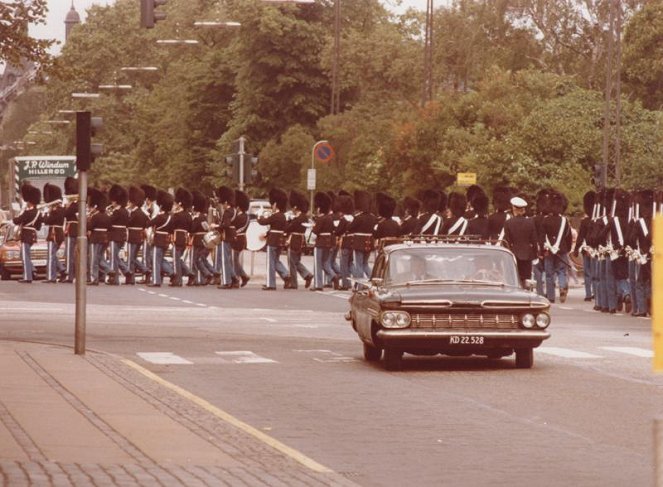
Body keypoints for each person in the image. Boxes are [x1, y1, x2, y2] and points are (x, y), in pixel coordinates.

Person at [540, 190, 572, 303]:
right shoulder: (564, 220)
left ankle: (551, 296)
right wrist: (567, 248)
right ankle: (562, 286)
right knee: (562, 271)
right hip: (561, 249)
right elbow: (568, 235)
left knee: (549, 274)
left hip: (548, 250)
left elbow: (542, 236)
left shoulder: (545, 220)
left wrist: (544, 249)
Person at [257, 188, 291, 290]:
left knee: (271, 262)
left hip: (273, 241)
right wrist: (267, 235)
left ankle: (271, 284)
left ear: (275, 204)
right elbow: (275, 228)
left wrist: (259, 216)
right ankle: (286, 275)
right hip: (280, 240)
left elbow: (264, 222)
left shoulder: (276, 215)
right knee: (276, 261)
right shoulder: (283, 216)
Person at [503, 196, 539, 287]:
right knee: (526, 279)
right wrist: (535, 254)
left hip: (513, 254)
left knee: (514, 278)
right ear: (523, 209)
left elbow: (506, 241)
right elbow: (534, 240)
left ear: (514, 208)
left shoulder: (508, 223)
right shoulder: (530, 222)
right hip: (527, 254)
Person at [12, 184, 41, 283]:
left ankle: (28, 277)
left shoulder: (27, 212)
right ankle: (32, 269)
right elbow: (38, 226)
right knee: (25, 255)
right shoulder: (38, 212)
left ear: (30, 201)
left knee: (25, 256)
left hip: (26, 235)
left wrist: (13, 219)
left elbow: (17, 220)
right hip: (32, 235)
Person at [311, 191, 339, 291]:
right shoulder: (329, 218)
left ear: (319, 208)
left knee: (318, 264)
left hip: (320, 243)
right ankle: (333, 276)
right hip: (328, 243)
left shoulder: (321, 219)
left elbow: (315, 232)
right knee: (325, 263)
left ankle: (318, 285)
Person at [286, 190, 313, 289]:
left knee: (292, 262)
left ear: (295, 207)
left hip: (295, 240)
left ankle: (294, 283)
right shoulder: (303, 217)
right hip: (300, 240)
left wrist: (288, 222)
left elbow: (290, 228)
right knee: (296, 261)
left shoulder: (298, 218)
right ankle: (306, 275)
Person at [147, 190, 175, 287]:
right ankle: (171, 272)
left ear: (162, 205)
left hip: (158, 240)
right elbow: (171, 230)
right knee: (160, 259)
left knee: (155, 260)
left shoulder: (159, 217)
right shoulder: (170, 218)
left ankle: (156, 281)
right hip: (166, 240)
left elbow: (148, 224)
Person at [572, 190, 596, 302]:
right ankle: (596, 292)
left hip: (587, 250)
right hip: (596, 250)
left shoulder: (585, 221)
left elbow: (581, 237)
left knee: (588, 273)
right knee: (596, 273)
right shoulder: (598, 220)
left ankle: (588, 294)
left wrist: (577, 248)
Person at [41, 183, 66, 283]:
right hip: (58, 233)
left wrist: (46, 212)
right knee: (53, 254)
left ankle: (52, 277)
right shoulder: (61, 209)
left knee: (51, 256)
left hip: (54, 234)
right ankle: (62, 270)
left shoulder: (55, 211)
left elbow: (47, 221)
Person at [349, 190, 376, 279]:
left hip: (359, 242)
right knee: (365, 264)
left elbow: (350, 228)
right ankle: (373, 280)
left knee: (359, 264)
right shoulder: (373, 217)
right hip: (369, 241)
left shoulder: (358, 217)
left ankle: (360, 285)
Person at [125, 186, 149, 285]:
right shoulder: (143, 214)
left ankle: (131, 278)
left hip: (133, 236)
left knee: (131, 258)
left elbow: (128, 223)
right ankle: (144, 270)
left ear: (132, 202)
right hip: (139, 237)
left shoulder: (133, 213)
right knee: (133, 258)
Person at [87, 188, 111, 286]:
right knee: (100, 257)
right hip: (105, 238)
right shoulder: (107, 216)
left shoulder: (95, 216)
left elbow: (89, 227)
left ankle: (95, 278)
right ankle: (109, 270)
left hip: (95, 238)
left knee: (94, 260)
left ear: (95, 207)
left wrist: (88, 219)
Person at [107, 184, 130, 285]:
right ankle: (126, 271)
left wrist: (108, 215)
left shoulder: (117, 212)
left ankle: (115, 278)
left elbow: (109, 222)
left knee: (113, 257)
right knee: (115, 256)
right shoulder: (125, 211)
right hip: (122, 235)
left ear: (116, 200)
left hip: (114, 235)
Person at [170, 188, 194, 287]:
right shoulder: (188, 215)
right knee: (178, 258)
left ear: (179, 203)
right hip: (184, 238)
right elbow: (191, 228)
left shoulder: (177, 215)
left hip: (177, 237)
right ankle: (189, 273)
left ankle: (178, 280)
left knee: (176, 259)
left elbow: (171, 226)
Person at [215, 186, 237, 289]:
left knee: (224, 260)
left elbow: (226, 225)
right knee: (228, 260)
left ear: (226, 202)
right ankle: (234, 278)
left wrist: (216, 226)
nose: (222, 205)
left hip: (226, 236)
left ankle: (226, 282)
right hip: (231, 236)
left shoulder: (228, 212)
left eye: (223, 203)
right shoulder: (234, 210)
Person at [335, 193, 355, 290]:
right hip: (353, 242)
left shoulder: (344, 219)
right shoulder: (353, 218)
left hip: (345, 242)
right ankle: (358, 280)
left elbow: (338, 231)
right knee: (351, 264)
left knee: (343, 265)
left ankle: (345, 284)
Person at [231, 190, 251, 288]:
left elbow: (237, 227)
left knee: (233, 260)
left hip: (238, 239)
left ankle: (238, 278)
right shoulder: (243, 216)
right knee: (234, 260)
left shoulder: (243, 217)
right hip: (239, 238)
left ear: (239, 207)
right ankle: (243, 276)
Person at [62, 177, 79, 283]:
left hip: (72, 229)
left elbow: (65, 214)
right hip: (75, 229)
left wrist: (66, 207)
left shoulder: (74, 205)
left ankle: (69, 275)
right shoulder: (78, 204)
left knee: (69, 254)